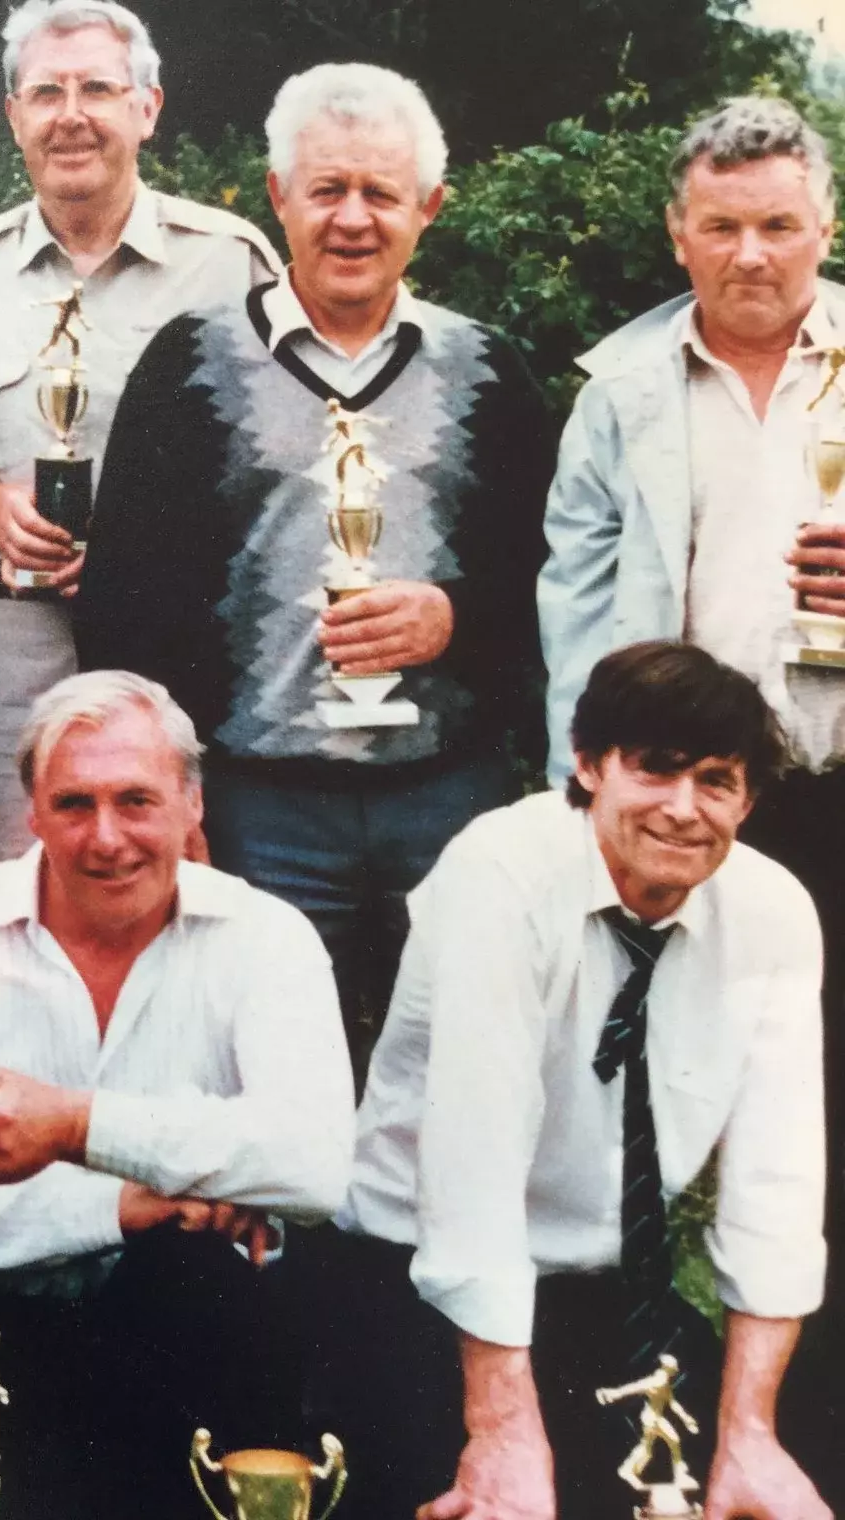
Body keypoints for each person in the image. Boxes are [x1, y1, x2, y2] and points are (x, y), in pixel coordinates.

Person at [73, 63, 550, 1082]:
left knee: (458, 1061)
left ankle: (437, 1247)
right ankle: (287, 1250)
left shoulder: (488, 369)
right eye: (325, 188)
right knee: (272, 1073)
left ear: (429, 207)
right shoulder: (189, 364)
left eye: (380, 192)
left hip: (445, 792)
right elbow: (122, 602)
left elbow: (553, 577)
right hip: (259, 798)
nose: (351, 218)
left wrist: (454, 616)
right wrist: (176, 791)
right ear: (277, 196)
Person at [321, 642, 828, 1520]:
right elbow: (472, 1172)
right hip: (416, 1277)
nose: (683, 809)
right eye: (655, 770)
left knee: (746, 1490)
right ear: (589, 765)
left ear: (748, 799)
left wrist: (752, 1431)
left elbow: (776, 1194)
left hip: (606, 1290)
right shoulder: (502, 873)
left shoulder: (774, 911)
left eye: (716, 780)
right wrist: (502, 1432)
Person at [538, 98, 845, 1490]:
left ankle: (804, 1429)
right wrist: (584, 792)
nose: (752, 253)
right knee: (640, 1116)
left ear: (823, 225)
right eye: (721, 226)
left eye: (779, 223)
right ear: (678, 231)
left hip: (836, 782)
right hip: (679, 810)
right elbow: (573, 604)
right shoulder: (622, 388)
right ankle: (637, 1402)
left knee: (825, 1119)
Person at [0, 670, 353, 1519]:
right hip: (7, 1321)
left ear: (192, 804)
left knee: (190, 1291)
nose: (106, 838)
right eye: (74, 804)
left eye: (136, 800)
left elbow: (314, 1165)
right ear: (31, 811)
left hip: (212, 1324)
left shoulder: (267, 938)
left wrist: (70, 1128)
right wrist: (139, 1202)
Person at [0, 0, 279, 867]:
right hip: (18, 640)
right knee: (13, 890)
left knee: (187, 892)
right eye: (47, 93)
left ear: (146, 108)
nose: (71, 115)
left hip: (184, 638)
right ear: (13, 116)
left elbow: (288, 470)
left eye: (98, 89)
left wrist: (141, 547)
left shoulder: (230, 264)